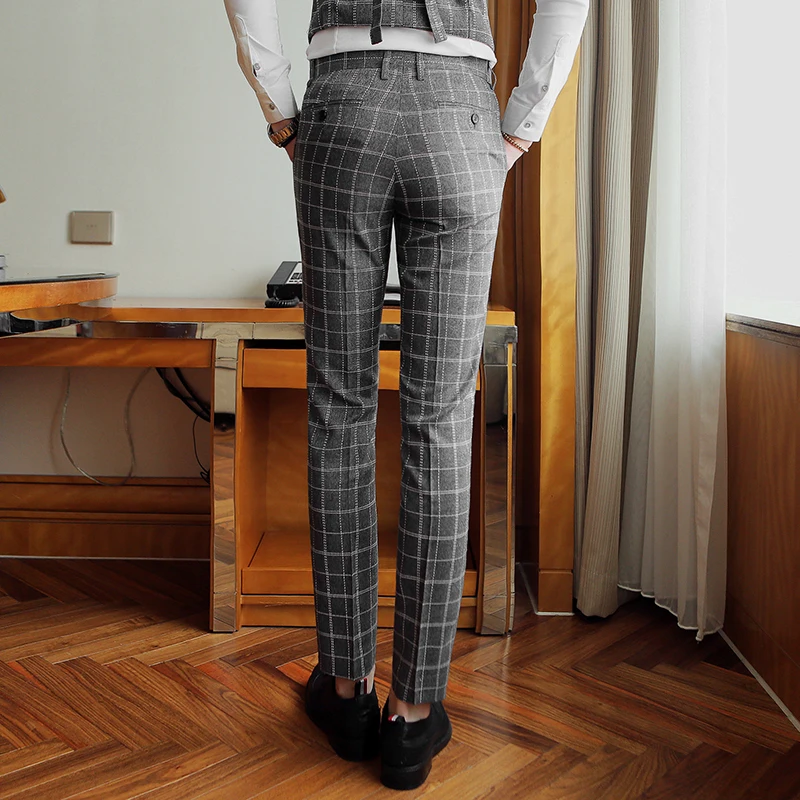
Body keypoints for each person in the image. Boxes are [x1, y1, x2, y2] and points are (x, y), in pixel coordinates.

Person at [223, 0, 589, 790]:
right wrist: (521, 126)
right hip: (462, 116)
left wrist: (280, 108)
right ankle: (413, 716)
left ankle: (347, 690)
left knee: (339, 409)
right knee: (442, 419)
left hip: (343, 107)